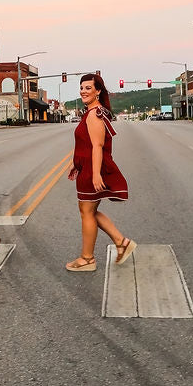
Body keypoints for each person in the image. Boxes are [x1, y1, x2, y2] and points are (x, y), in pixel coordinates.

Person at [65, 73, 136, 271]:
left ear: (98, 91)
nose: (83, 91)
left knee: (86, 212)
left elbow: (97, 145)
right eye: (82, 87)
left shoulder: (95, 114)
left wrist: (96, 174)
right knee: (90, 211)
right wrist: (75, 162)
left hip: (92, 169)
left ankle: (87, 259)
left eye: (88, 88)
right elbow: (85, 143)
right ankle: (121, 242)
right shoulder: (92, 112)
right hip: (87, 166)